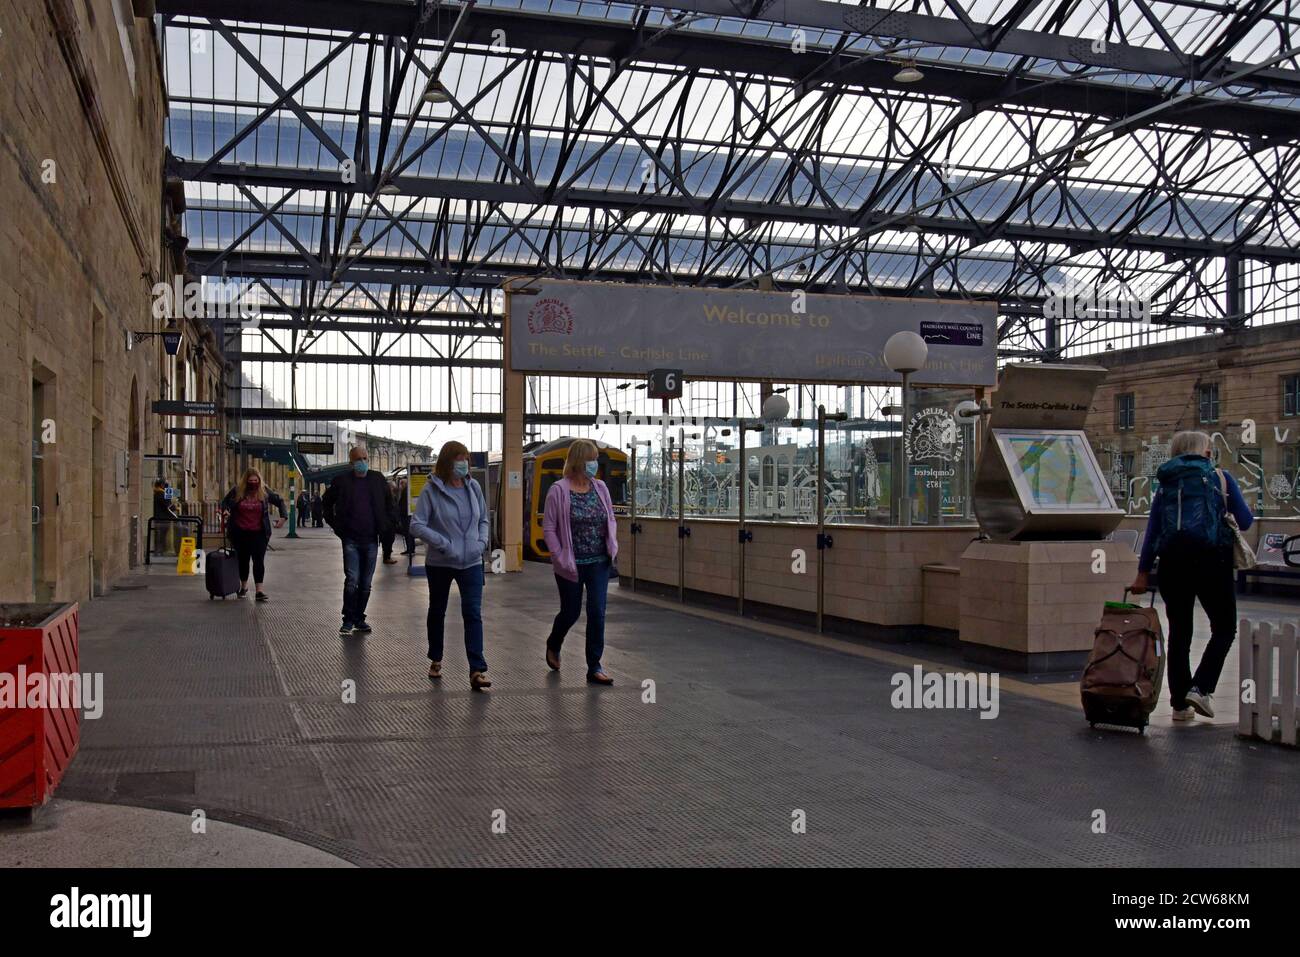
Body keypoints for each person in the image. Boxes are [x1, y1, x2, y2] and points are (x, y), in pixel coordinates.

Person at [1130, 430, 1253, 721]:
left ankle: (1179, 706)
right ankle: (1201, 688)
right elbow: (1246, 521)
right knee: (1224, 628)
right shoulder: (1220, 478)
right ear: (1206, 452)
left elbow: (1153, 532)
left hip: (1173, 564)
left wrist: (1143, 573)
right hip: (1214, 561)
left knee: (1180, 633)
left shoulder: (1166, 485)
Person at [410, 441, 491, 691]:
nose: (464, 464)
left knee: (473, 613)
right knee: (437, 610)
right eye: (459, 459)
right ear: (447, 462)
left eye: (466, 459)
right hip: (441, 562)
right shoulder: (431, 490)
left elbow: (484, 519)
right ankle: (436, 658)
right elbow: (417, 525)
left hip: (471, 561)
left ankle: (476, 669)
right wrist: (444, 543)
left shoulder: (474, 487)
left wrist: (481, 543)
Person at [542, 439, 617, 685]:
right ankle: (554, 642)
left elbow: (610, 518)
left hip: (599, 562)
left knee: (597, 612)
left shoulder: (601, 488)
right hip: (570, 564)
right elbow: (550, 527)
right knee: (571, 611)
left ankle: (594, 666)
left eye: (595, 459)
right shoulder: (559, 490)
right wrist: (557, 554)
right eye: (590, 459)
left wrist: (612, 544)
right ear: (578, 461)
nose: (594, 464)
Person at [323, 445, 394, 636]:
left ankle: (359, 618)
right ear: (351, 463)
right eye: (358, 460)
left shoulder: (377, 479)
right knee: (352, 579)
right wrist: (337, 527)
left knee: (366, 582)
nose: (362, 462)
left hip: (371, 539)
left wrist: (386, 525)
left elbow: (389, 503)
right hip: (351, 539)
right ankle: (347, 619)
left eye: (365, 458)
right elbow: (326, 503)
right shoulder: (342, 481)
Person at [220, 468, 287, 601]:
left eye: (256, 481)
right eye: (250, 481)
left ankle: (259, 591)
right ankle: (243, 587)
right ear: (246, 482)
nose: (253, 483)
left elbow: (279, 501)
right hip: (240, 532)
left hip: (260, 533)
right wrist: (226, 511)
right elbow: (224, 502)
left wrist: (283, 517)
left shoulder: (264, 491)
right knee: (243, 561)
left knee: (258, 561)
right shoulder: (237, 491)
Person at [381, 478, 399, 565]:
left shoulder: (393, 497)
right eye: (393, 488)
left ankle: (387, 556)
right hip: (388, 522)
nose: (394, 490)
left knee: (390, 539)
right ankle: (387, 557)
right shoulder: (386, 498)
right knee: (388, 539)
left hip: (391, 522)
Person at [395, 477, 415, 555]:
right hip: (407, 515)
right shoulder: (406, 490)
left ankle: (410, 549)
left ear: (404, 484)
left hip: (406, 516)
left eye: (401, 483)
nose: (400, 485)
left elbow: (403, 505)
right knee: (409, 533)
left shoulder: (405, 491)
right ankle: (410, 549)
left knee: (408, 533)